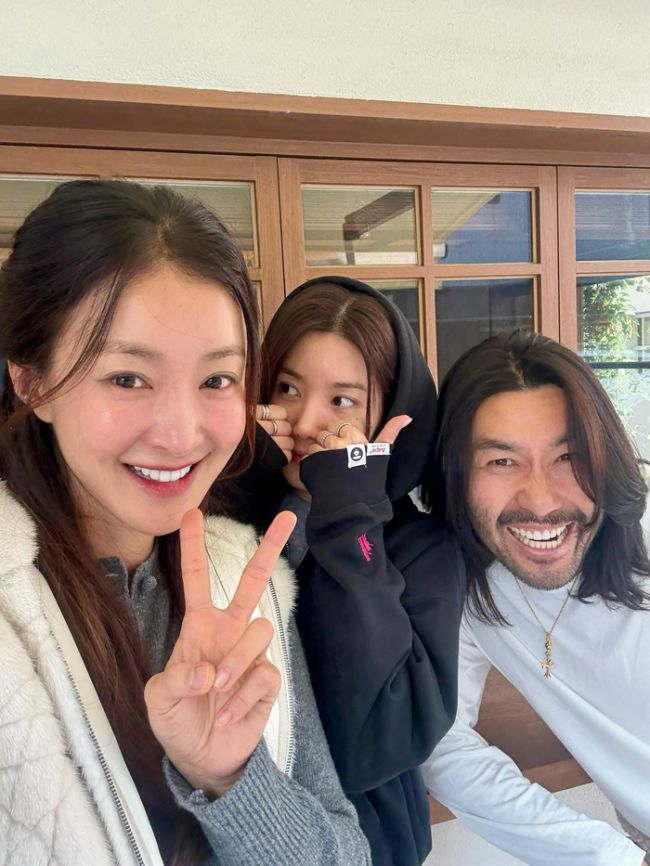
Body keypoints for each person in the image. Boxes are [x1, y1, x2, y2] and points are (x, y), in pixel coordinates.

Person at [0, 180, 372, 866]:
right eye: (127, 378)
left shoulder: (245, 582)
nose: (180, 435)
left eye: (217, 380)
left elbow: (345, 852)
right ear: (33, 383)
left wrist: (231, 779)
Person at [232, 277, 466, 866]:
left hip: (368, 845)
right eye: (287, 387)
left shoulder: (422, 548)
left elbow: (379, 743)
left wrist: (348, 518)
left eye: (342, 401)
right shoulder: (227, 510)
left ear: (390, 416)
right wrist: (238, 476)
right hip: (227, 829)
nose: (305, 419)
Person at [421, 330, 650, 866]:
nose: (542, 500)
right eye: (502, 462)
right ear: (457, 474)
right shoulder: (470, 587)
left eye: (568, 456)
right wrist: (606, 854)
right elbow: (441, 744)